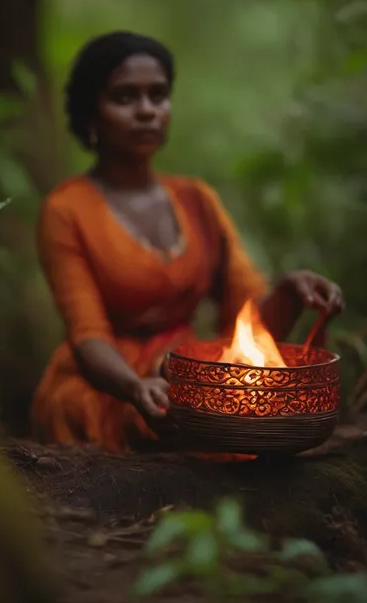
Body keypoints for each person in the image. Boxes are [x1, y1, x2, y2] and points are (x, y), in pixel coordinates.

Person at [31, 31, 344, 453]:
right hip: (107, 381)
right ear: (91, 113)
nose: (146, 111)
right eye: (124, 98)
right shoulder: (66, 209)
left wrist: (290, 291)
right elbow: (87, 335)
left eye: (158, 96)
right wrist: (135, 387)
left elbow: (248, 324)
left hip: (188, 369)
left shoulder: (196, 200)